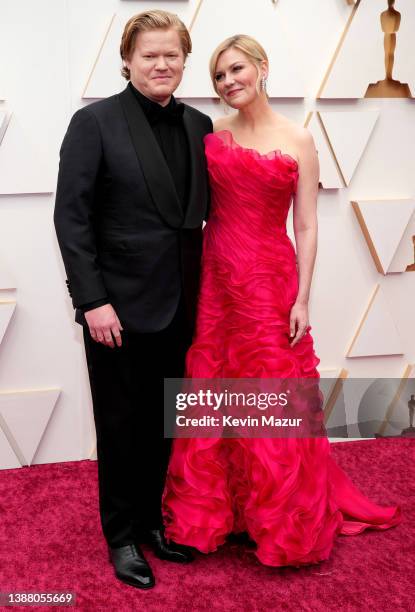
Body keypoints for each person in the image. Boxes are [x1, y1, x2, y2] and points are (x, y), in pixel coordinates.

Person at [162, 35, 402, 568]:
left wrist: (302, 297)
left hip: (270, 281)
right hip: (217, 280)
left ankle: (276, 518)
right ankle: (222, 514)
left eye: (237, 69)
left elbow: (308, 223)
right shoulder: (209, 133)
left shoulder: (298, 139)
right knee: (215, 390)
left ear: (262, 68)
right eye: (219, 76)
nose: (228, 83)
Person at [54, 10, 212, 589]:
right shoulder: (93, 123)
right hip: (115, 312)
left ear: (184, 59)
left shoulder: (201, 125)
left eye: (172, 55)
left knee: (164, 426)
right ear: (127, 60)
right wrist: (92, 301)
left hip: (184, 308)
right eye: (150, 55)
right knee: (120, 425)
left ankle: (152, 522)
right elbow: (71, 222)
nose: (161, 64)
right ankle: (121, 536)